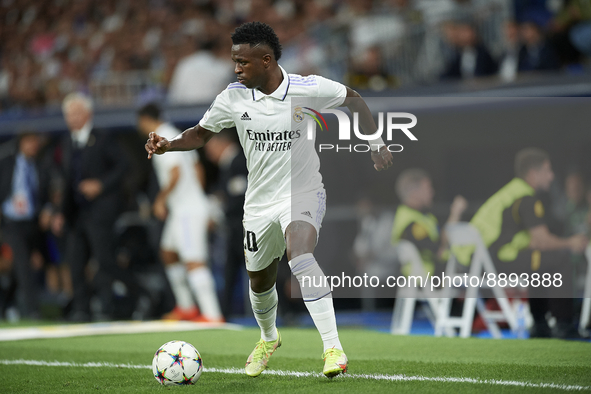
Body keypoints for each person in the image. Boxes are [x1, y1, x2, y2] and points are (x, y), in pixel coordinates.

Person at [146, 22, 393, 378]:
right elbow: (201, 133)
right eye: (234, 61)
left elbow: (353, 98)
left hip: (303, 192)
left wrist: (375, 143)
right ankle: (268, 338)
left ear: (266, 60)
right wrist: (169, 144)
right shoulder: (232, 96)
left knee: (300, 254)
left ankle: (333, 347)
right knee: (259, 282)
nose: (235, 69)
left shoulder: (306, 88)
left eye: (242, 62)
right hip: (259, 204)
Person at [469, 148, 588, 339]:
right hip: (496, 262)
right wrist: (570, 242)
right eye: (548, 171)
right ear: (534, 173)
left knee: (539, 261)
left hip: (481, 261)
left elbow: (529, 240)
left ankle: (540, 325)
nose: (552, 176)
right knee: (560, 257)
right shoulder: (526, 198)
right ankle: (564, 326)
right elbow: (542, 240)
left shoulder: (509, 193)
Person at [55, 92, 140, 322]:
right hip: (76, 214)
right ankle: (82, 309)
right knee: (76, 261)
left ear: (87, 113)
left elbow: (123, 166)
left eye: (75, 113)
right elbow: (66, 181)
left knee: (104, 261)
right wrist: (61, 214)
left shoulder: (103, 137)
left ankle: (136, 294)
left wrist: (100, 185)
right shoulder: (67, 141)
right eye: (68, 114)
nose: (71, 118)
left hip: (100, 212)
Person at [137, 103, 223, 323]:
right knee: (169, 253)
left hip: (186, 211)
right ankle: (186, 307)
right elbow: (197, 168)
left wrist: (160, 199)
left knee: (193, 260)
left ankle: (213, 315)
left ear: (145, 120)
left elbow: (175, 172)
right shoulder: (176, 133)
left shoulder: (162, 136)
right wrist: (199, 198)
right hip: (185, 208)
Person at [0, 132, 50, 319]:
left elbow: (44, 193)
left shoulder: (41, 165)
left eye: (35, 142)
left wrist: (48, 209)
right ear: (21, 143)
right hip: (11, 222)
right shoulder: (6, 163)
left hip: (32, 223)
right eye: (29, 142)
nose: (33, 146)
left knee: (21, 269)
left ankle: (5, 304)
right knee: (23, 264)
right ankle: (32, 311)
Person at [203, 130, 248, 318]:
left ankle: (283, 314)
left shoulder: (239, 160)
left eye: (209, 147)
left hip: (247, 228)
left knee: (262, 272)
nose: (207, 152)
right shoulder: (227, 165)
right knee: (229, 272)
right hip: (234, 229)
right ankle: (223, 316)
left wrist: (219, 212)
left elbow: (240, 197)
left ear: (220, 144)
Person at [391, 169, 467, 276]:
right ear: (414, 193)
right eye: (427, 188)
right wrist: (455, 214)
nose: (432, 192)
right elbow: (440, 251)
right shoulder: (412, 224)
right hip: (429, 279)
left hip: (430, 278)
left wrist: (455, 214)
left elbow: (441, 241)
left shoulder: (421, 215)